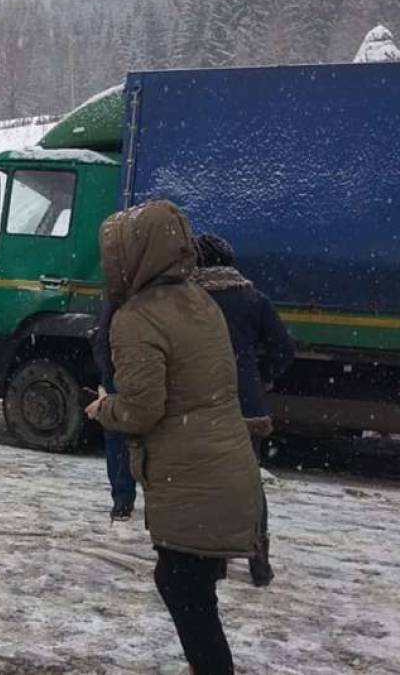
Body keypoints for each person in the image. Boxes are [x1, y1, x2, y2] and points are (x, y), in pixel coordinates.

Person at [86, 201, 262, 675]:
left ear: (135, 255)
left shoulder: (137, 317)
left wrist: (103, 407)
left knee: (183, 588)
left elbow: (143, 410)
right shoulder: (199, 299)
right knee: (192, 589)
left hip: (192, 479)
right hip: (226, 468)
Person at [194, 232, 296, 588]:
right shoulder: (255, 299)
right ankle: (259, 557)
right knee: (248, 483)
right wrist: (259, 378)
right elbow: (283, 348)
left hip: (200, 404)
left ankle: (215, 558)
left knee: (205, 482)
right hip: (245, 407)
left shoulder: (189, 300)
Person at [90, 299, 137, 522]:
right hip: (144, 381)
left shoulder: (119, 299)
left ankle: (122, 500)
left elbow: (102, 341)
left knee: (118, 438)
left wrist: (110, 379)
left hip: (120, 380)